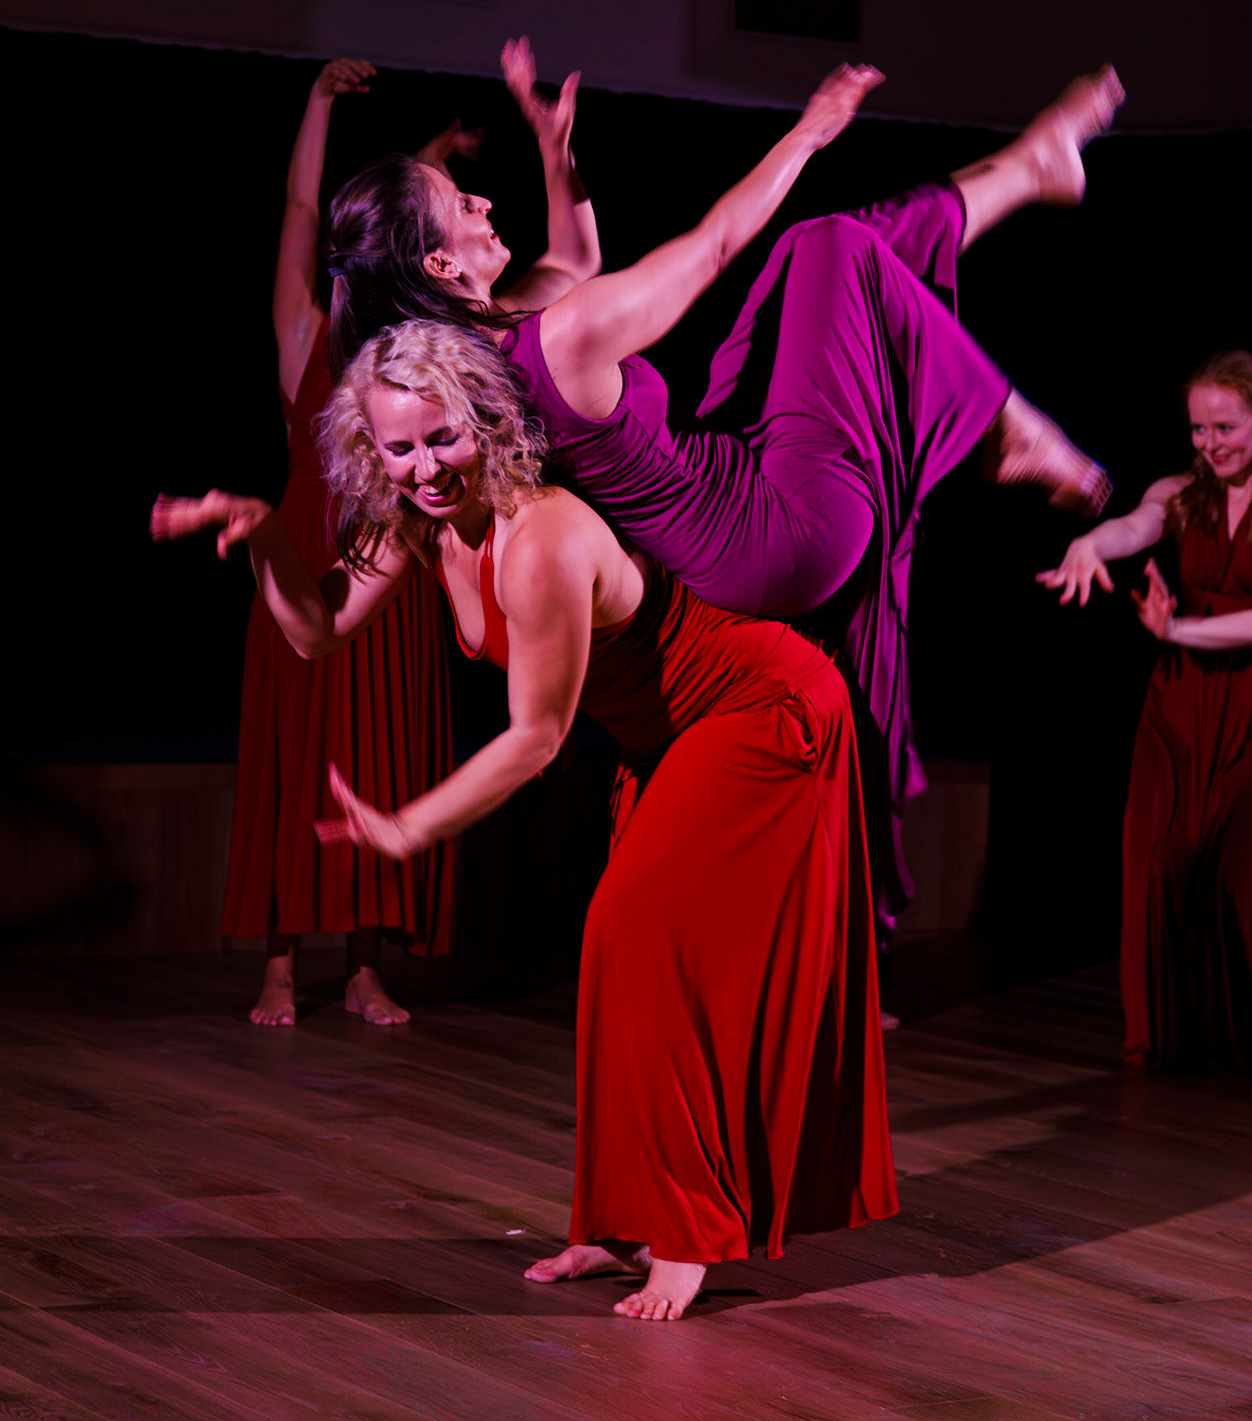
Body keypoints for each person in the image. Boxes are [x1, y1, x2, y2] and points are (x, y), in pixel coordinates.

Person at [152, 318, 897, 1322]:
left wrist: (411, 825)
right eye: (399, 446)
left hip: (757, 710)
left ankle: (686, 1234)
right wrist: (271, 538)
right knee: (615, 954)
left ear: (487, 421)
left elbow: (539, 736)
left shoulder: (542, 534)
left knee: (632, 931)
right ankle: (615, 1217)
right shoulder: (416, 522)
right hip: (670, 734)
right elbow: (313, 626)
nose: (423, 465)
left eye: (442, 437)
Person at [323, 59, 1123, 930]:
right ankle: (1006, 429)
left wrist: (557, 153)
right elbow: (709, 248)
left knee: (842, 260)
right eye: (461, 202)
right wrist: (810, 129)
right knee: (833, 249)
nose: (481, 202)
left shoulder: (471, 368)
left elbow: (575, 256)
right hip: (779, 530)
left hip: (731, 508)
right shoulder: (563, 338)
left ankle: (1030, 170)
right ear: (441, 259)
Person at [227, 42, 598, 1028]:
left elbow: (478, 257)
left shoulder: (429, 349)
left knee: (380, 752)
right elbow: (311, 218)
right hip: (323, 545)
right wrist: (314, 102)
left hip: (396, 542)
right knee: (295, 760)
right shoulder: (312, 339)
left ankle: (362, 963)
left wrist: (499, 156)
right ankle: (276, 964)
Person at [1038, 351, 1252, 1072]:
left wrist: (1175, 632)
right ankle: (1166, 1032)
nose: (1208, 443)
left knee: (1242, 869)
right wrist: (1088, 542)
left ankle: (1251, 1032)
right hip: (1181, 700)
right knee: (1161, 862)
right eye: (1197, 429)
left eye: (1224, 426)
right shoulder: (1180, 492)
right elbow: (1134, 528)